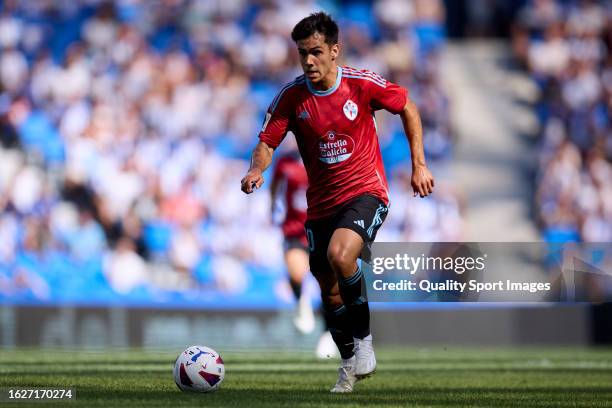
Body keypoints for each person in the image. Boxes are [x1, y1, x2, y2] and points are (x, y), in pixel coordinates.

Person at [241, 12, 434, 393]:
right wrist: (255, 170)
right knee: (328, 290)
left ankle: (364, 342)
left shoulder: (361, 85)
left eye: (315, 52)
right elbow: (267, 142)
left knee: (341, 255)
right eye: (301, 54)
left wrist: (419, 165)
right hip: (321, 206)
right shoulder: (292, 97)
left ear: (334, 50)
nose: (308, 61)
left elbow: (407, 107)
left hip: (366, 192)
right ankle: (347, 364)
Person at [270, 143, 339, 358]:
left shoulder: (329, 157)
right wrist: (273, 207)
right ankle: (301, 301)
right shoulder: (285, 162)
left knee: (329, 286)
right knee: (296, 272)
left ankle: (329, 334)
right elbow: (275, 187)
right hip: (295, 228)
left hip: (323, 228)